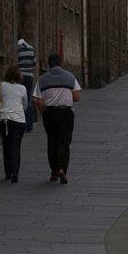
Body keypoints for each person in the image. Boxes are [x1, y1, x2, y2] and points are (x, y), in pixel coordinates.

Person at [34, 52, 80, 183]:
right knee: (64, 142)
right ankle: (62, 169)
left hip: (50, 113)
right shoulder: (70, 77)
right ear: (61, 63)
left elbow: (37, 100)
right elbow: (76, 97)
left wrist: (44, 112)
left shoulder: (42, 79)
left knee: (52, 141)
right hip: (66, 113)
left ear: (49, 64)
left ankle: (54, 171)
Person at [0, 63, 29, 183]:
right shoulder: (22, 88)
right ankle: (15, 172)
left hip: (4, 119)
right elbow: (25, 105)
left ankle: (8, 172)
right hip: (18, 120)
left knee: (6, 145)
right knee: (16, 145)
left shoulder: (0, 85)